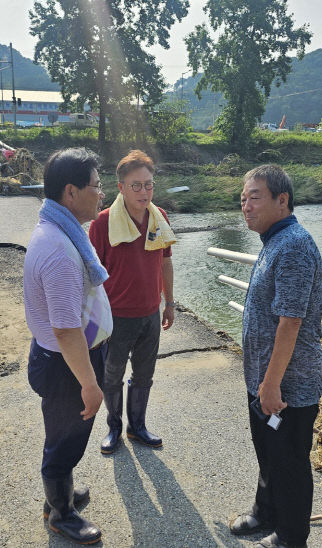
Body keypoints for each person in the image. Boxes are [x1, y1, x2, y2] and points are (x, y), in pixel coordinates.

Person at [230, 165, 322, 548]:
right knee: (268, 452)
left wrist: (270, 385)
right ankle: (265, 512)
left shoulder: (295, 246)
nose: (246, 206)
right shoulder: (275, 241)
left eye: (254, 197)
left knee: (289, 463)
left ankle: (291, 537)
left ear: (281, 200)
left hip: (289, 385)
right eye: (242, 199)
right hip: (264, 379)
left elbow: (291, 323)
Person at [23, 147, 113, 545]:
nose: (102, 193)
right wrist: (90, 384)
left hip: (64, 358)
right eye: (97, 186)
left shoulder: (59, 230)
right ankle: (60, 512)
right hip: (65, 363)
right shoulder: (59, 250)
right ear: (71, 192)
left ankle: (59, 492)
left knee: (65, 433)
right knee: (64, 439)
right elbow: (66, 330)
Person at [88, 149, 176, 455]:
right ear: (121, 187)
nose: (144, 191)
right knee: (111, 377)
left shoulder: (158, 217)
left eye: (149, 184)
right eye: (136, 185)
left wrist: (170, 302)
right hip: (115, 318)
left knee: (144, 375)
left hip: (150, 313)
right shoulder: (102, 223)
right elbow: (90, 275)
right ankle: (114, 428)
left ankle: (137, 427)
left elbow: (166, 262)